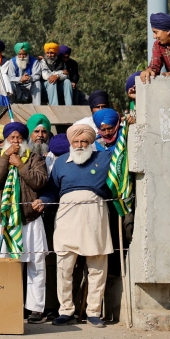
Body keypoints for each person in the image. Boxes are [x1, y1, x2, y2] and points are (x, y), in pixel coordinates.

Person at [49, 123, 114, 327]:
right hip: (67, 219)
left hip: (95, 218)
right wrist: (41, 200)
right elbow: (51, 191)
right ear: (70, 143)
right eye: (75, 141)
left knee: (97, 267)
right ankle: (66, 311)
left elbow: (117, 174)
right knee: (64, 268)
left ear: (90, 142)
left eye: (83, 141)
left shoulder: (103, 159)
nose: (79, 145)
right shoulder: (60, 163)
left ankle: (93, 312)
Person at [0, 121, 49, 323]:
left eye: (19, 137)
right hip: (8, 220)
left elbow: (39, 182)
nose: (15, 141)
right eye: (11, 138)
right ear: (6, 140)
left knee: (36, 263)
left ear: (24, 139)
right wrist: (6, 157)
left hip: (30, 218)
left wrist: (21, 165)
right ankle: (9, 304)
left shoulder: (35, 158)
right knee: (9, 264)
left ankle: (35, 309)